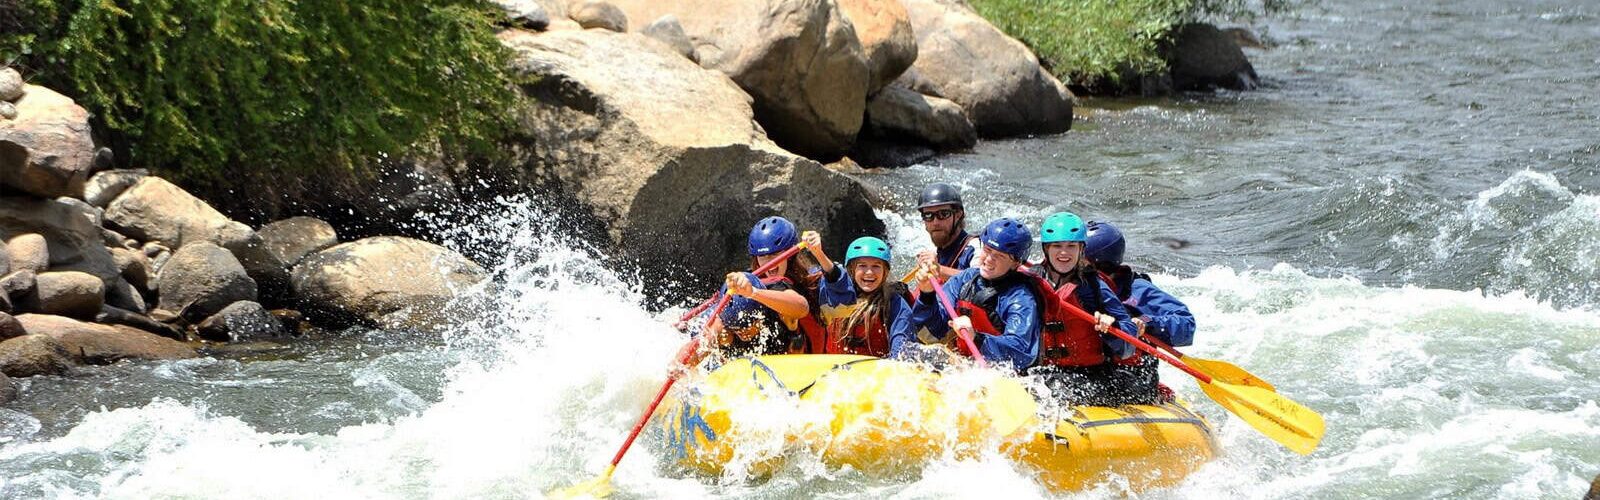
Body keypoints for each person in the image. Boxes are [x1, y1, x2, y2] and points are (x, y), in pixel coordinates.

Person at [1025, 212, 1152, 406]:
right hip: (1042, 371)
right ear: (1046, 249)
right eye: (1057, 246)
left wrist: (1112, 328)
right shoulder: (1030, 281)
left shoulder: (1094, 287)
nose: (1064, 253)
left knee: (1054, 387)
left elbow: (1128, 346)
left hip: (1089, 375)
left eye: (1071, 246)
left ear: (1081, 249)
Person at [1085, 220, 1198, 403]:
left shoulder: (1138, 290)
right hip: (1089, 370)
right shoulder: (1072, 285)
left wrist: (1146, 322)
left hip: (1132, 377)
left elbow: (1186, 324)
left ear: (1102, 265)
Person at [909, 218, 1041, 373]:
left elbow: (1021, 353)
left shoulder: (1021, 299)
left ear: (1015, 263)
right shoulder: (965, 279)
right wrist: (927, 294)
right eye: (987, 250)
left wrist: (976, 338)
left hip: (1005, 375)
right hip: (964, 365)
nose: (989, 259)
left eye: (1000, 256)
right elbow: (932, 332)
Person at [691, 216, 816, 357]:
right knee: (718, 337)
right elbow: (695, 350)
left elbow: (802, 307)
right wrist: (674, 372)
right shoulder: (725, 325)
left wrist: (754, 293)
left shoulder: (774, 300)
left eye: (749, 326)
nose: (744, 333)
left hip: (788, 353)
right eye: (738, 330)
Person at [801, 231, 913, 357]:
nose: (869, 272)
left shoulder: (894, 302)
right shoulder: (839, 295)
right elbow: (834, 278)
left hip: (875, 372)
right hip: (834, 370)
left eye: (876, 266)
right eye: (862, 266)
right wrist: (818, 253)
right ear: (852, 270)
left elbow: (901, 343)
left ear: (885, 272)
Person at [914, 183, 981, 281]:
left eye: (943, 214)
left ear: (958, 215)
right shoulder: (936, 254)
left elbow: (982, 280)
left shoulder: (975, 247)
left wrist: (939, 270)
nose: (935, 222)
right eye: (928, 216)